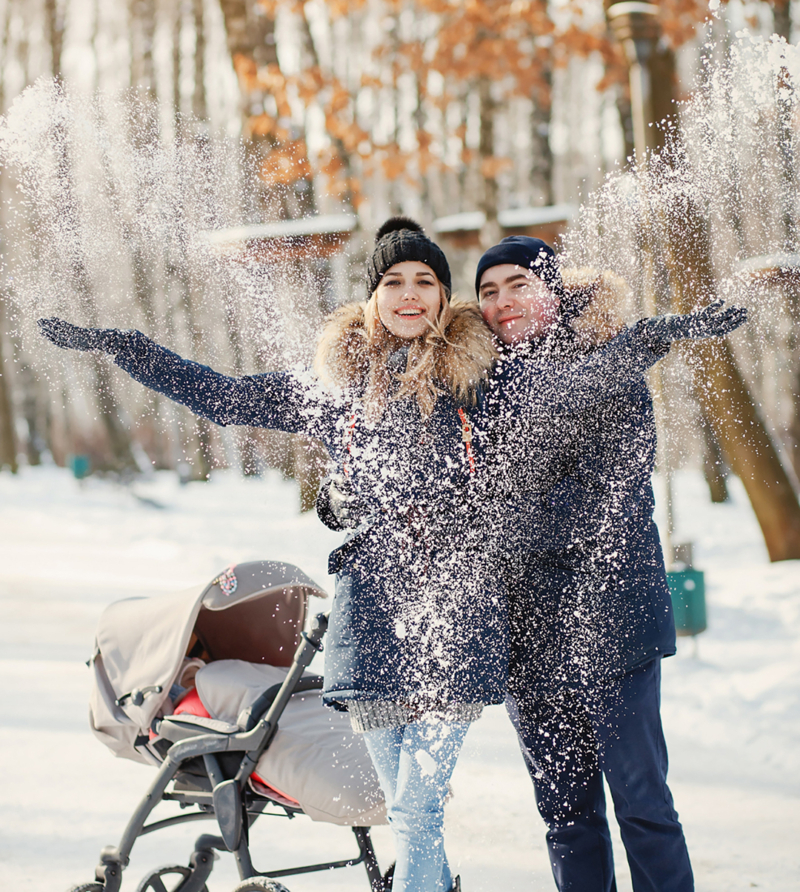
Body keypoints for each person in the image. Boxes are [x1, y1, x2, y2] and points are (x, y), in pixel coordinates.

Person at [38, 220, 737, 892]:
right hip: (374, 623)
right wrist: (125, 347)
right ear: (371, 299)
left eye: (425, 280)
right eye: (393, 280)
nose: (409, 292)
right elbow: (225, 398)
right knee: (427, 812)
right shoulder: (334, 390)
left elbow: (573, 386)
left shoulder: (481, 382)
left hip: (457, 621)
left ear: (441, 299)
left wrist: (651, 337)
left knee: (419, 808)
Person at [473, 236, 741, 891]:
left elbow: (604, 499)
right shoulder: (476, 391)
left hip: (610, 623)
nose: (504, 301)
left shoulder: (608, 367)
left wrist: (489, 518)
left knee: (642, 805)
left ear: (554, 291)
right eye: (489, 291)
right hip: (528, 636)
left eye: (519, 284)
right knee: (565, 814)